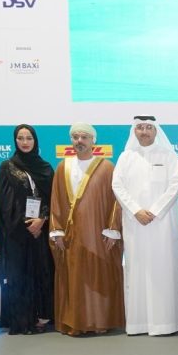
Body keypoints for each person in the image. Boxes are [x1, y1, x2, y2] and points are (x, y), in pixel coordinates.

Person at [112, 116, 178, 336]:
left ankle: (166, 323)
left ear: (156, 131)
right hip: (135, 223)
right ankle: (138, 323)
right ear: (134, 131)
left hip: (163, 223)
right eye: (140, 128)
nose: (144, 131)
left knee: (164, 270)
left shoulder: (169, 156)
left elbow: (176, 185)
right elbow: (117, 185)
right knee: (137, 270)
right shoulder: (126, 157)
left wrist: (154, 211)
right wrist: (136, 210)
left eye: (148, 127)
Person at [49, 123, 125, 336]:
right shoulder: (63, 167)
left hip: (98, 235)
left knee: (98, 276)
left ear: (93, 140)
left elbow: (116, 201)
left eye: (84, 137)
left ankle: (100, 321)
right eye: (75, 137)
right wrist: (57, 230)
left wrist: (113, 229)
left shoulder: (107, 167)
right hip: (71, 236)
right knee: (75, 278)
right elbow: (56, 200)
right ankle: (76, 323)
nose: (79, 141)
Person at [0, 124, 55, 335]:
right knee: (19, 274)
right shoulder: (7, 167)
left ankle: (43, 317)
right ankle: (22, 320)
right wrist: (26, 224)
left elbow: (54, 198)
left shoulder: (45, 168)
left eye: (29, 138)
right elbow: (3, 201)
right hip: (17, 233)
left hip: (42, 230)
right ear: (15, 141)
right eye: (21, 138)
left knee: (42, 271)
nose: (25, 142)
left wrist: (42, 220)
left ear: (35, 141)